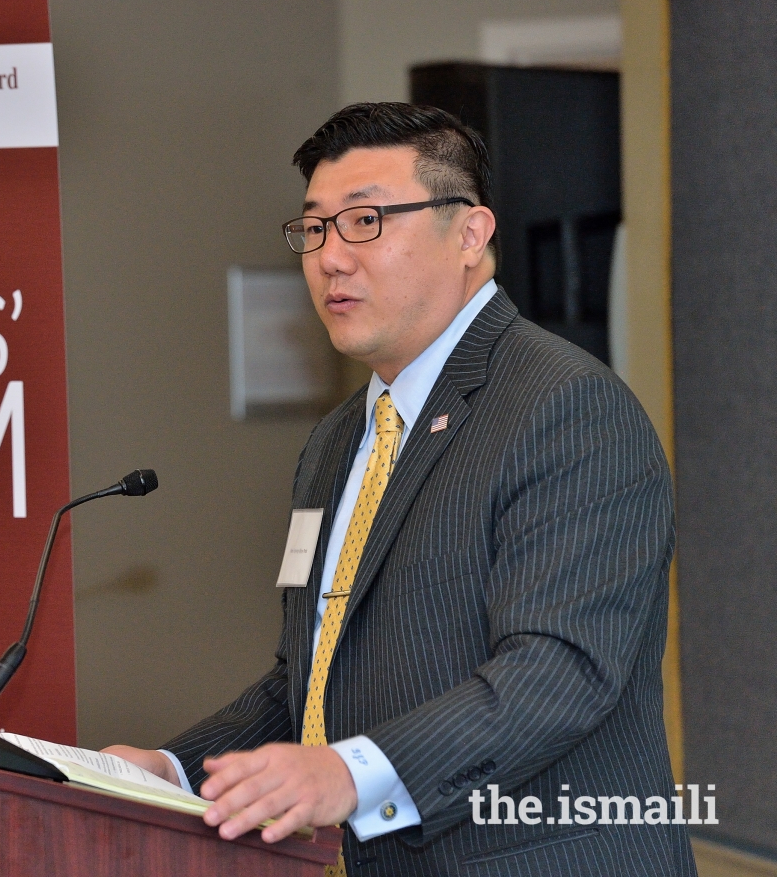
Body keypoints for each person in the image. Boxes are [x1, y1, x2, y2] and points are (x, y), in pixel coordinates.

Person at [105, 103, 695, 875]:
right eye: (313, 229)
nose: (330, 258)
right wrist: (175, 771)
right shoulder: (337, 440)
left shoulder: (563, 406)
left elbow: (559, 672)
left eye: (365, 221)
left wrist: (350, 773)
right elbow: (308, 679)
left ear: (471, 235)